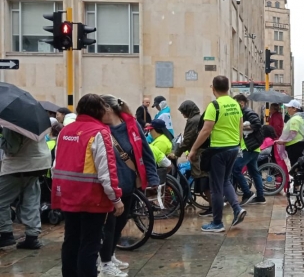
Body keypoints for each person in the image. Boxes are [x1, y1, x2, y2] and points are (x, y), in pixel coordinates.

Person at [52, 94, 124, 277]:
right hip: (92, 198)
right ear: (98, 110)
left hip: (68, 196)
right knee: (90, 243)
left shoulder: (65, 131)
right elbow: (106, 170)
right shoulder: (99, 132)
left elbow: (56, 165)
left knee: (71, 240)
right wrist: (115, 198)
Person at [98, 94, 159, 277]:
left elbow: (146, 153)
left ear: (108, 109)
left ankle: (109, 255)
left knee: (121, 223)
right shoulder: (99, 129)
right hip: (108, 188)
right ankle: (105, 263)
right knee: (108, 226)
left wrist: (153, 179)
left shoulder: (132, 126)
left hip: (129, 186)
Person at [188, 76, 246, 233]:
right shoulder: (235, 104)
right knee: (225, 181)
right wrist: (237, 144)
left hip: (218, 151)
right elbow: (240, 127)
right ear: (228, 88)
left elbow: (206, 130)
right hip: (234, 148)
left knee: (215, 188)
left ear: (213, 88)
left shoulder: (214, 106)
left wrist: (193, 149)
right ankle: (237, 208)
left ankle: (217, 222)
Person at [0, 121, 52, 250]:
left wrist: (2, 137)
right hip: (39, 163)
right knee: (31, 199)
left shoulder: (11, 123)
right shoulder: (33, 120)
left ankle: (6, 234)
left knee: (1, 200)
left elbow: (12, 148)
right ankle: (32, 237)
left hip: (18, 166)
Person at [169, 100, 212, 217]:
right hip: (203, 152)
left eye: (184, 112)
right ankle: (213, 206)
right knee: (206, 181)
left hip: (199, 154)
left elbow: (188, 139)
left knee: (204, 182)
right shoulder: (199, 118)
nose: (183, 115)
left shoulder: (193, 121)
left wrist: (177, 153)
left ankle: (213, 207)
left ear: (188, 110)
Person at [232, 94, 266, 206]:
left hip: (249, 147)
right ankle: (260, 197)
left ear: (241, 103)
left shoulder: (247, 111)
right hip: (253, 147)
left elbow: (257, 124)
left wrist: (241, 127)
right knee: (254, 172)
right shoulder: (244, 111)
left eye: (236, 103)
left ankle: (247, 193)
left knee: (236, 169)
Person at [276, 100, 304, 167]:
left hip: (295, 146)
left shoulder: (295, 119)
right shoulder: (300, 117)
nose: (287, 109)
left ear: (294, 109)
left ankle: (299, 177)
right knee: (299, 165)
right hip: (300, 144)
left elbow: (293, 133)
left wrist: (284, 141)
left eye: (289, 107)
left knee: (295, 165)